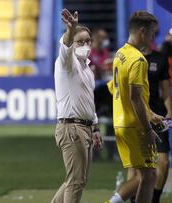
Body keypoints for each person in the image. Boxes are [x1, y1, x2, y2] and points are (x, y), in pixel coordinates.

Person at [106, 11, 162, 203]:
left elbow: (114, 89)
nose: (154, 38)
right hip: (134, 125)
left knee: (142, 175)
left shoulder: (120, 54)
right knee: (149, 176)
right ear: (142, 31)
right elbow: (135, 97)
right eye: (153, 33)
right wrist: (147, 129)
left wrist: (151, 114)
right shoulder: (138, 60)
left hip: (120, 122)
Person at [51, 8, 103, 203]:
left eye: (88, 41)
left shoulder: (87, 68)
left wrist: (95, 127)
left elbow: (89, 100)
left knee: (77, 180)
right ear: (72, 42)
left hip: (84, 127)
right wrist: (71, 29)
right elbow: (64, 46)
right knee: (76, 181)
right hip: (71, 127)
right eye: (80, 41)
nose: (85, 45)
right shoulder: (66, 62)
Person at [128, 35, 172, 203]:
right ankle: (134, 199)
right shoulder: (128, 57)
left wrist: (170, 111)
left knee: (163, 162)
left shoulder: (160, 59)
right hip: (136, 116)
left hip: (158, 117)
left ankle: (154, 199)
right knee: (135, 165)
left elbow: (166, 91)